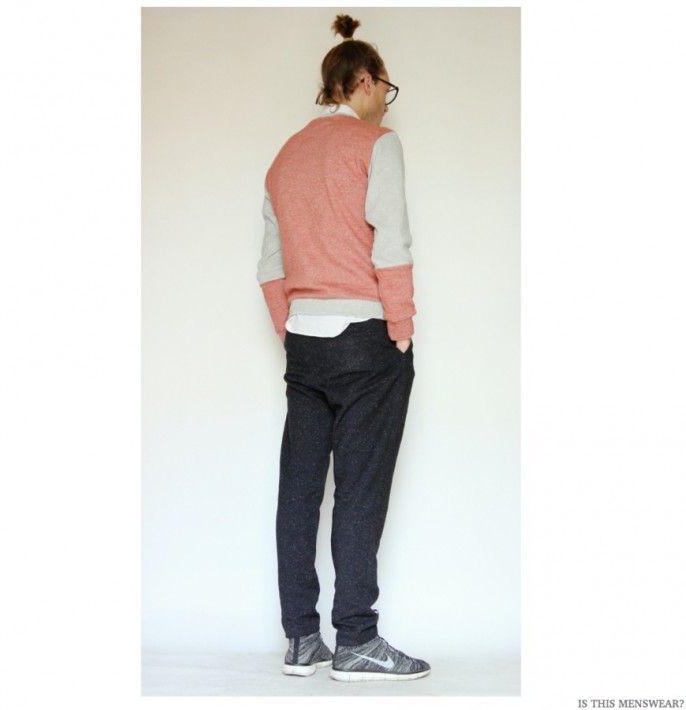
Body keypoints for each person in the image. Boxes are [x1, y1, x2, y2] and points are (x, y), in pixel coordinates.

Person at [256, 14, 430, 682]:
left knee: (299, 490)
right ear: (361, 80)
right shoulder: (376, 144)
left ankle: (302, 639)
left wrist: (292, 329)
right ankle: (356, 639)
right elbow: (391, 242)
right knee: (359, 491)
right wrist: (401, 328)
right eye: (385, 86)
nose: (386, 98)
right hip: (365, 339)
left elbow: (271, 266)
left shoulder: (284, 156)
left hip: (305, 343)